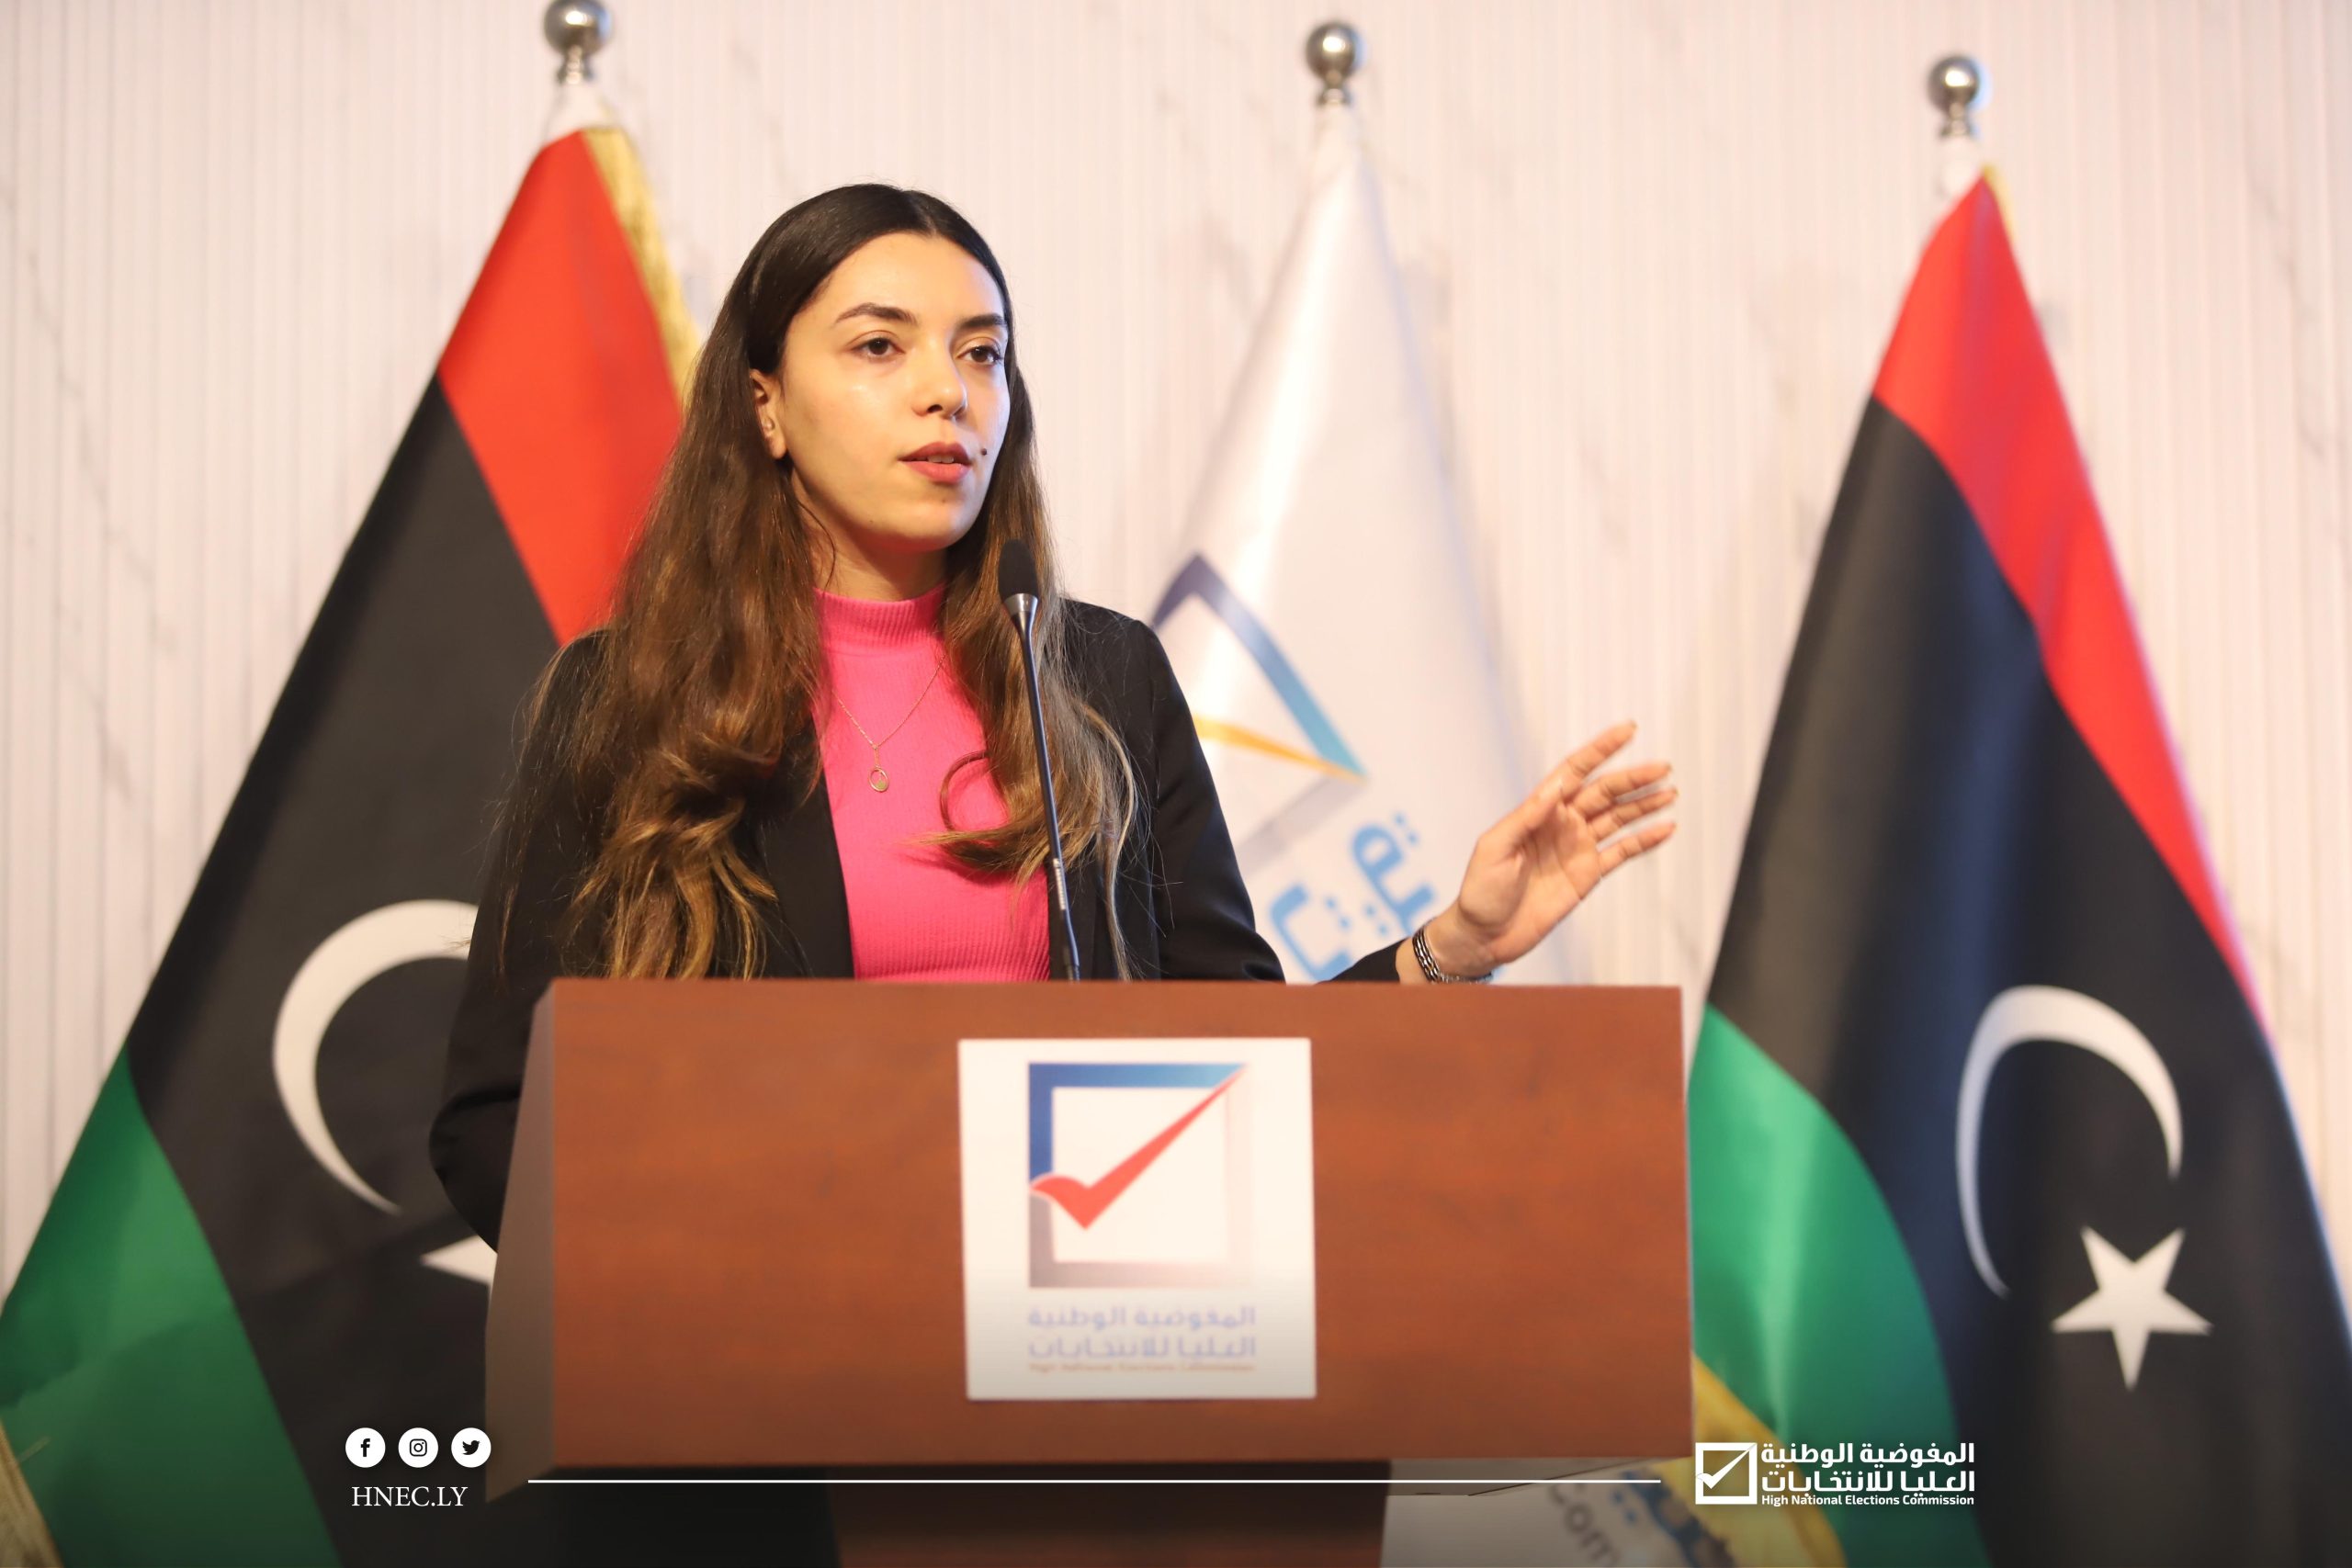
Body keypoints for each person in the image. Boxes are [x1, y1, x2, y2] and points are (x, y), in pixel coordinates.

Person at [429, 184, 1677, 1253]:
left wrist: (1452, 946)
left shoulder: (1096, 679)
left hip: (1078, 1344)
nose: (948, 393)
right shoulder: (633, 698)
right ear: (765, 404)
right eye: (881, 347)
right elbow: (497, 1123)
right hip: (773, 1361)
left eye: (983, 353)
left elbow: (1235, 1063)